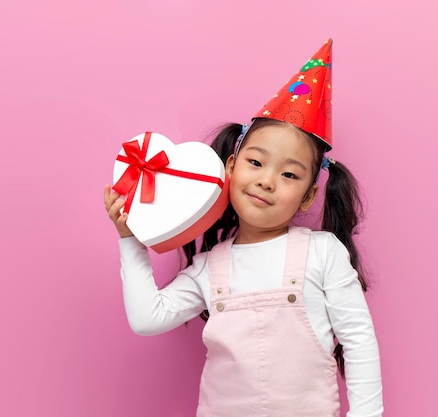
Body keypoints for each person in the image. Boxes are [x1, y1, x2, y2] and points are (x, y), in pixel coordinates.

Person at [104, 39, 383, 417]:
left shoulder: (322, 253)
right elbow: (146, 318)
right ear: (231, 167)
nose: (267, 181)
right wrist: (130, 239)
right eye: (256, 163)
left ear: (308, 195)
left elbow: (359, 342)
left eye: (288, 174)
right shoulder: (208, 267)